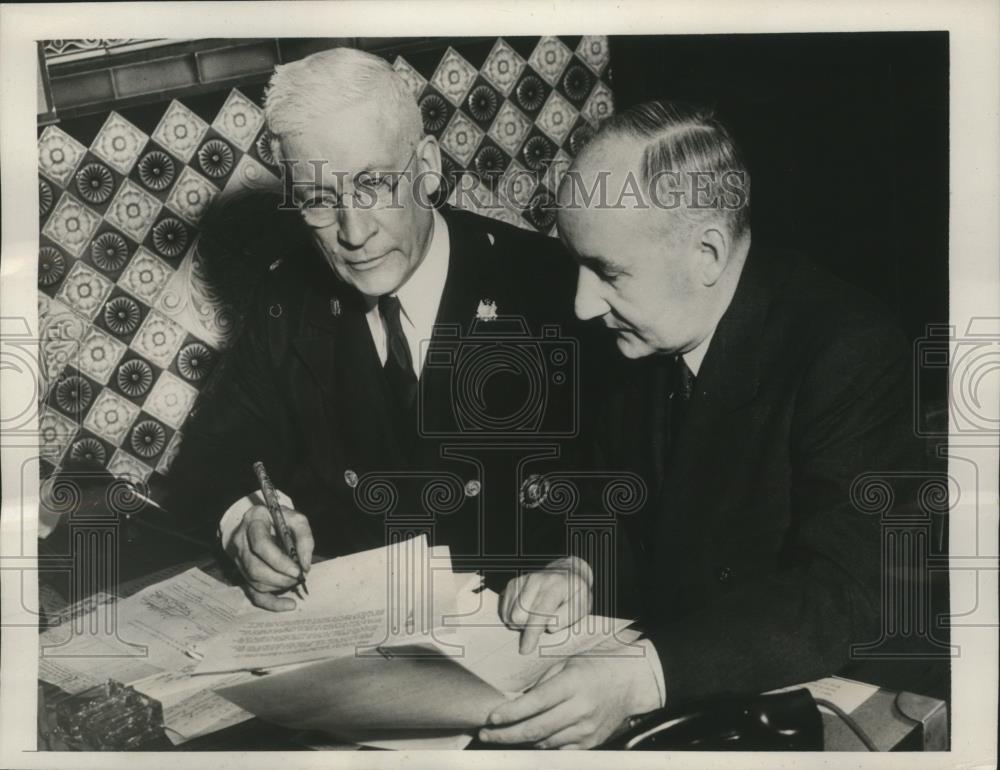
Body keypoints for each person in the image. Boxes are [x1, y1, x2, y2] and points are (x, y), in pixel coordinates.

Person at [482, 100, 922, 748]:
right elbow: (633, 520)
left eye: (606, 272)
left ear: (708, 252)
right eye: (577, 264)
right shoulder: (644, 336)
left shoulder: (849, 350)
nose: (580, 305)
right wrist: (579, 569)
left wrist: (640, 677)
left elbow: (846, 596)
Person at [166, 47, 604, 610]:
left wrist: (583, 563)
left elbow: (641, 473)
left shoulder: (552, 286)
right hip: (358, 634)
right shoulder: (288, 300)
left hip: (522, 626)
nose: (353, 232)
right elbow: (211, 458)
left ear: (426, 167)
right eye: (319, 201)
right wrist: (244, 521)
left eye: (373, 184)